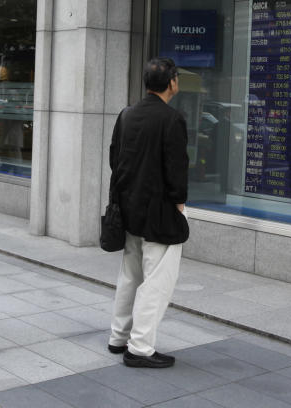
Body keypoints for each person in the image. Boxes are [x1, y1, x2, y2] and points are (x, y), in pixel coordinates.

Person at [107, 57, 189, 368]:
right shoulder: (172, 119)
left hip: (129, 210)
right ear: (172, 83)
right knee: (156, 281)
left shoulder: (127, 114)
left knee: (130, 275)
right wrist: (179, 203)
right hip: (160, 214)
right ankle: (140, 347)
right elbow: (176, 168)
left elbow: (115, 159)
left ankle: (119, 337)